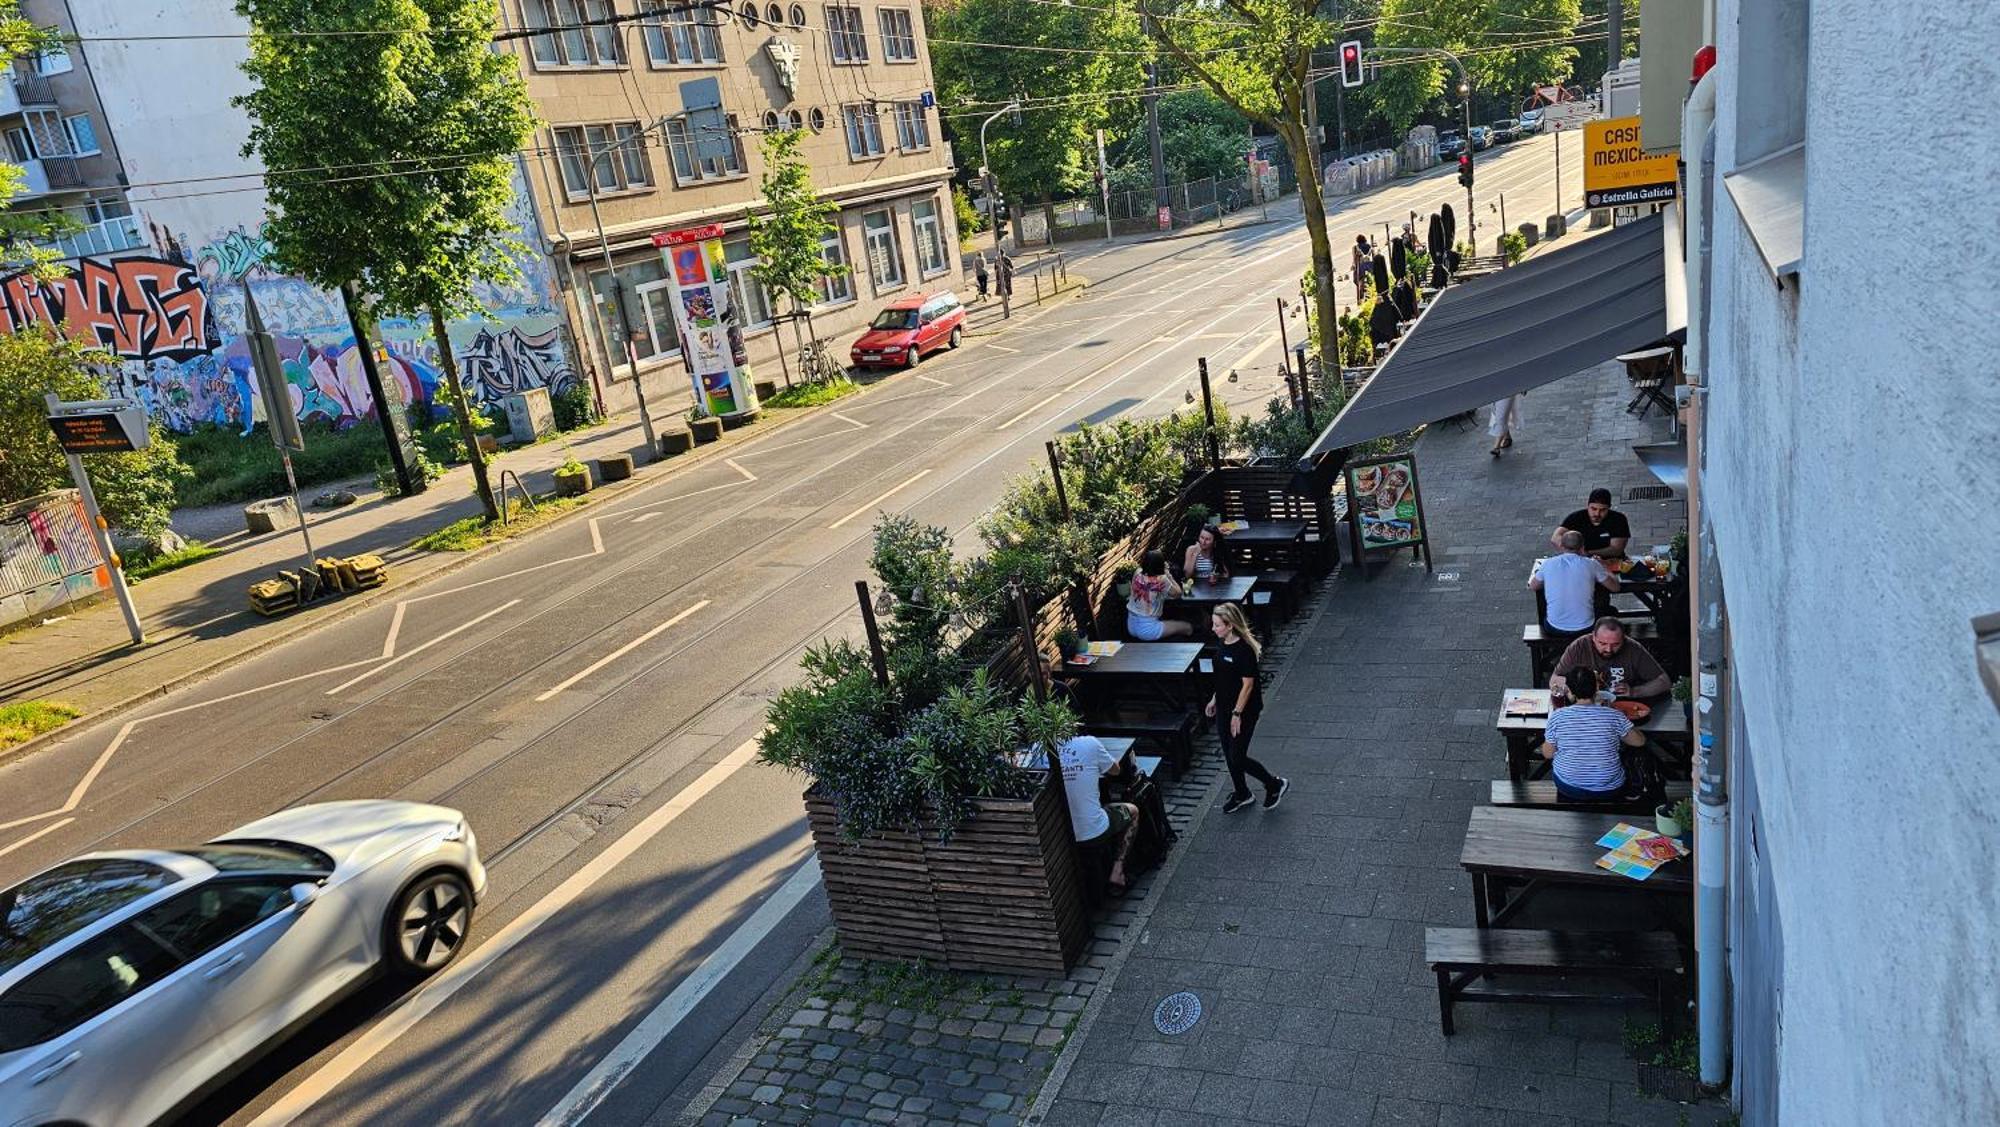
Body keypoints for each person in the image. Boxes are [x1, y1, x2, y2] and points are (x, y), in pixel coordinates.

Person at [1206, 603, 1288, 814]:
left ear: (1230, 625)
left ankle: (1273, 784)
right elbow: (1223, 679)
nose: (1213, 628)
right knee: (1228, 753)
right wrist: (1214, 699)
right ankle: (1242, 793)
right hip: (1224, 707)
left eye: (1217, 625)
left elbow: (1248, 685)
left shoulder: (1244, 651)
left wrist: (1237, 713)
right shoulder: (1222, 644)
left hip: (1244, 711)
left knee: (1237, 756)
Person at [1541, 668, 1647, 801]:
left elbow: (1548, 754)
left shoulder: (1558, 717)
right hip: (1609, 788)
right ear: (1596, 688)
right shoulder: (1614, 715)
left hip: (1568, 786)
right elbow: (1639, 741)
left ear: (1570, 690)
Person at [1056, 731, 1142, 894]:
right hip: (1093, 830)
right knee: (1133, 811)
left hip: (1061, 833)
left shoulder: (1039, 749)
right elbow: (1115, 771)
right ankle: (1117, 870)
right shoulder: (1089, 743)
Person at [1550, 617, 1671, 702]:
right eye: (1602, 643)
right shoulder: (1579, 646)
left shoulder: (1633, 647)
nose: (1608, 649)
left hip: (1622, 707)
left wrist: (1634, 692)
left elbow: (1664, 682)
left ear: (1623, 639)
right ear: (1593, 637)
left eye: (1615, 644)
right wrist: (1573, 690)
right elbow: (1554, 679)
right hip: (1586, 707)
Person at [1531, 531, 1620, 639]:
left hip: (1554, 627)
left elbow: (1533, 586)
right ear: (1582, 548)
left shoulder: (1548, 564)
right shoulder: (1591, 564)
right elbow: (1615, 587)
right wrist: (1605, 566)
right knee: (1610, 610)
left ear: (1561, 546)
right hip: (1587, 627)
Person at [1126, 550, 1193, 640]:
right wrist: (1168, 574)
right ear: (1160, 565)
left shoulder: (1137, 572)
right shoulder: (1161, 579)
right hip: (1148, 628)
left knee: (1170, 622)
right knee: (1188, 627)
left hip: (1131, 624)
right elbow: (1178, 593)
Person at [1551, 488, 1633, 559]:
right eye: (1593, 509)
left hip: (1609, 561)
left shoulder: (1618, 519)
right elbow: (1555, 537)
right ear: (1588, 506)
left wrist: (1588, 553)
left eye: (1603, 510)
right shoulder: (1576, 517)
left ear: (1609, 507)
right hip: (1581, 559)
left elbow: (1616, 549)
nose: (1597, 513)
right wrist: (1571, 552)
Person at [1351, 234, 1372, 300]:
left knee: (1357, 279)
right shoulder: (1368, 246)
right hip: (1368, 265)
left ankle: (1361, 292)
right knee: (1368, 279)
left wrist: (1353, 265)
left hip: (1359, 266)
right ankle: (1367, 292)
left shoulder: (1355, 247)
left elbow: (1354, 257)